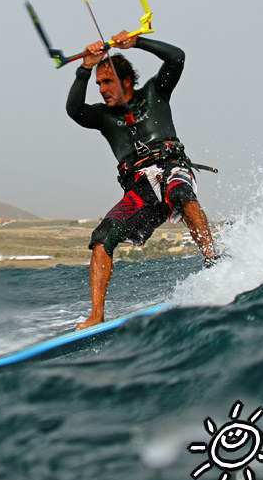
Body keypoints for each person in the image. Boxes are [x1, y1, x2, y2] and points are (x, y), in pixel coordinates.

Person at [67, 30, 219, 330]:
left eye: (107, 81)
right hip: (140, 191)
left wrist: (136, 42)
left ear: (126, 82)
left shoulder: (155, 93)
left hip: (171, 169)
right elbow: (74, 111)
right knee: (102, 238)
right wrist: (85, 68)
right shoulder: (102, 117)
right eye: (99, 83)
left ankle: (215, 264)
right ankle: (97, 314)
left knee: (180, 193)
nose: (101, 89)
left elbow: (177, 57)